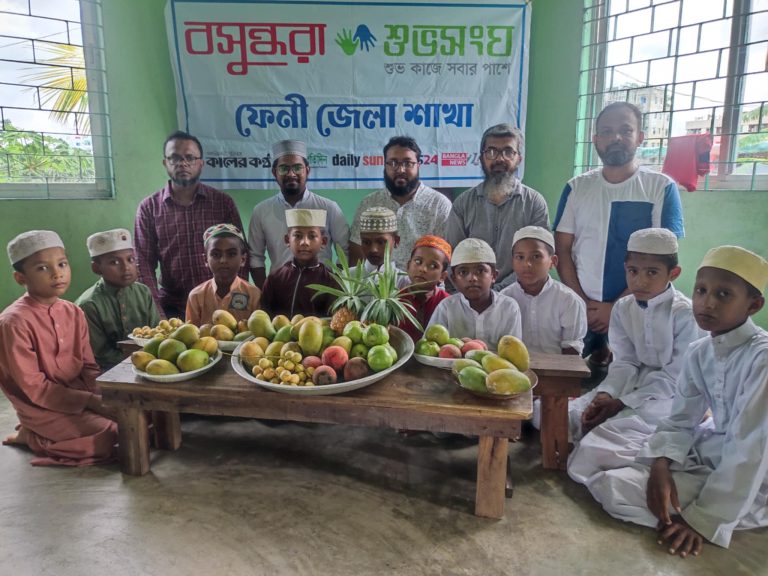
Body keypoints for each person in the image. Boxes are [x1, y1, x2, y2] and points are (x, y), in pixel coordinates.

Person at [572, 246, 768, 556]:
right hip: (713, 446)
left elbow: (751, 448)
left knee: (614, 489)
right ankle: (676, 487)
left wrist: (701, 522)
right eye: (702, 291)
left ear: (754, 305)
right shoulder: (701, 350)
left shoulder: (762, 359)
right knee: (593, 451)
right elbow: (680, 419)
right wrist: (661, 464)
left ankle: (715, 511)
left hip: (755, 471)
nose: (707, 303)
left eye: (724, 295)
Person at [553, 102, 684, 372]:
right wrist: (583, 305)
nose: (615, 138)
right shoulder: (577, 187)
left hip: (639, 310)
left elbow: (662, 260)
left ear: (640, 137)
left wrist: (615, 307)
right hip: (582, 310)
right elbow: (562, 250)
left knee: (638, 381)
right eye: (607, 131)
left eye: (625, 130)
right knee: (557, 379)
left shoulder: (660, 187)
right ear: (596, 140)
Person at [566, 228, 701, 447]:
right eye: (633, 271)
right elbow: (625, 362)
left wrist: (621, 403)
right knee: (558, 416)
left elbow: (676, 377)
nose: (640, 282)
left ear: (673, 273)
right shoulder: (622, 308)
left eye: (652, 272)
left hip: (671, 394)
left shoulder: (684, 314)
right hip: (631, 382)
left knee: (608, 435)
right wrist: (607, 394)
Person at [0, 230, 117, 466]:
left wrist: (101, 395)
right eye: (42, 268)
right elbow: (34, 388)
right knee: (110, 434)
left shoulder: (73, 311)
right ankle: (32, 436)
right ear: (20, 278)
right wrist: (91, 403)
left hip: (79, 394)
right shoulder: (14, 322)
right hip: (40, 405)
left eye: (62, 264)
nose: (57, 273)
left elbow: (88, 366)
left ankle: (50, 430)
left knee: (138, 421)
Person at [134, 130, 246, 319]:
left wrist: (236, 302)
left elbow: (241, 257)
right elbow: (143, 265)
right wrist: (157, 313)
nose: (183, 163)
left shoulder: (222, 203)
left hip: (220, 306)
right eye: (174, 158)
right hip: (173, 308)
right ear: (165, 163)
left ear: (201, 163)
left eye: (190, 158)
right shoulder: (149, 208)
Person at [445, 124, 549, 290]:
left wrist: (498, 292)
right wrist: (476, 294)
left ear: (519, 159)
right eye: (492, 152)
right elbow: (454, 258)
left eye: (508, 152)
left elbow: (538, 258)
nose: (500, 159)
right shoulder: (463, 204)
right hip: (471, 296)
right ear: (481, 159)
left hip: (521, 294)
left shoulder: (534, 203)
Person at [248, 139, 349, 289]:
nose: (291, 174)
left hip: (321, 293)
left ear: (307, 170)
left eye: (297, 168)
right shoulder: (261, 211)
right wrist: (267, 292)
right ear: (274, 172)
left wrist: (335, 288)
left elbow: (345, 251)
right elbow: (255, 257)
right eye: (283, 168)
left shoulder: (329, 207)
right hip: (279, 293)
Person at [349, 136, 452, 270]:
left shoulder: (438, 204)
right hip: (378, 286)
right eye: (393, 163)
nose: (400, 169)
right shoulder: (369, 203)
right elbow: (357, 250)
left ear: (418, 165)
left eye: (407, 163)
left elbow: (446, 254)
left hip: (422, 286)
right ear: (384, 165)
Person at [75, 228, 161, 371]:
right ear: (96, 268)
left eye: (130, 259)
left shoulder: (143, 292)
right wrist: (142, 361)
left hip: (151, 365)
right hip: (107, 371)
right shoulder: (89, 304)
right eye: (114, 262)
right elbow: (100, 354)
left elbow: (157, 333)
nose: (126, 267)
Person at [500, 226, 586, 355]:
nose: (527, 264)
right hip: (514, 370)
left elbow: (571, 350)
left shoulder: (569, 300)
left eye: (536, 256)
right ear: (513, 262)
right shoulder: (504, 299)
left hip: (558, 370)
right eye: (520, 257)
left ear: (553, 261)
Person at [428, 238, 522, 349]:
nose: (472, 278)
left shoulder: (509, 307)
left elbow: (513, 351)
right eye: (463, 272)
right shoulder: (446, 307)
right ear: (454, 279)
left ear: (494, 276)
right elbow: (431, 350)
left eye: (480, 271)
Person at [260, 209, 337, 318]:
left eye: (312, 236)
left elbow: (332, 321)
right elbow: (264, 317)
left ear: (323, 242)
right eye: (298, 235)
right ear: (287, 240)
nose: (304, 242)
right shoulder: (275, 278)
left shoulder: (331, 281)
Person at [185, 224, 261, 326]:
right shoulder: (196, 296)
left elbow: (259, 336)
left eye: (231, 254)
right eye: (216, 254)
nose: (223, 260)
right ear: (205, 260)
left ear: (243, 259)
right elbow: (190, 335)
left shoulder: (254, 295)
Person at [398, 235, 452, 341]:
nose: (423, 269)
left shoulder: (448, 304)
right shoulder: (394, 301)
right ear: (408, 266)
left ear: (442, 276)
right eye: (418, 262)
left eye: (433, 266)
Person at [350, 206, 409, 290]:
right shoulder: (347, 277)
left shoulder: (405, 281)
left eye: (381, 242)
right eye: (366, 242)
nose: (373, 249)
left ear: (396, 241)